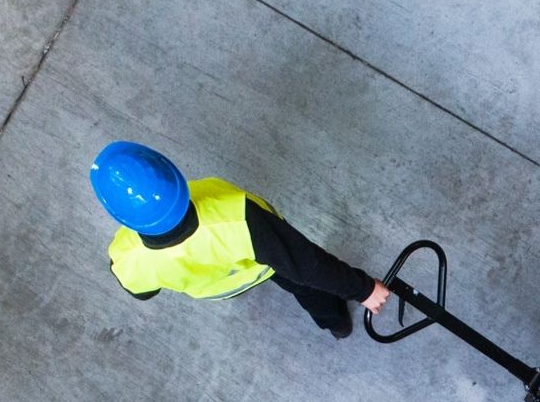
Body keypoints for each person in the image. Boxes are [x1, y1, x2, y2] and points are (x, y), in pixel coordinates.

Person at [90, 141, 391, 338]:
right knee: (305, 286)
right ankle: (335, 321)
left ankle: (335, 325)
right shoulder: (238, 220)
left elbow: (143, 292)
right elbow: (307, 264)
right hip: (264, 265)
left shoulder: (126, 258)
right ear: (173, 178)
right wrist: (363, 289)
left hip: (221, 287)